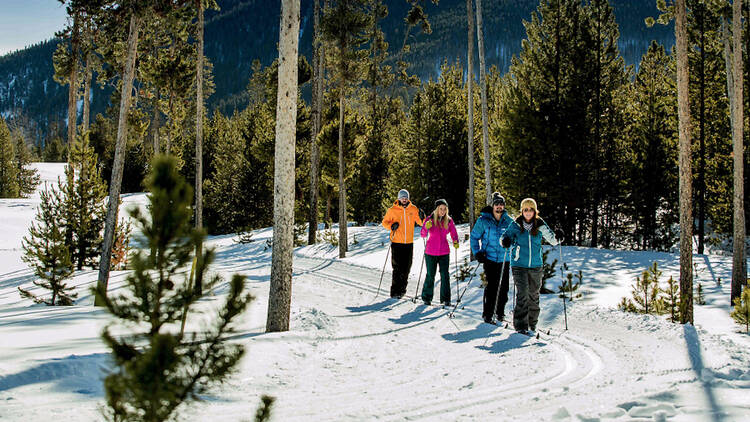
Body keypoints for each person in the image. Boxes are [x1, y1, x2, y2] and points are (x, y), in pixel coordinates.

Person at [500, 198, 562, 335]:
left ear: (535, 211)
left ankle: (532, 324)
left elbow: (553, 240)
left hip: (536, 265)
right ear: (522, 211)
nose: (528, 212)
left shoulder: (540, 225)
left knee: (533, 295)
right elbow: (504, 238)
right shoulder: (515, 225)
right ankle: (521, 325)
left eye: (531, 209)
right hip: (518, 264)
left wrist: (559, 236)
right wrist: (505, 241)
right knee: (522, 294)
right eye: (525, 210)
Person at [470, 192, 515, 324]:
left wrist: (509, 241)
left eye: (501, 204)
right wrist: (477, 252)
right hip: (489, 258)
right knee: (492, 287)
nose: (499, 207)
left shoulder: (508, 221)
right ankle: (488, 313)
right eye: (496, 204)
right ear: (493, 206)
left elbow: (515, 236)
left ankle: (500, 312)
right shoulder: (484, 220)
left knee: (504, 288)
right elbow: (474, 237)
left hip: (504, 259)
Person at [381, 189, 423, 298]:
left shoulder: (413, 209)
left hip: (408, 243)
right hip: (396, 242)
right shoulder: (392, 210)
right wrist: (391, 226)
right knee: (397, 268)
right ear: (399, 198)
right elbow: (384, 223)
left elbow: (420, 222)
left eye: (406, 197)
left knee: (407, 268)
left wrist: (423, 218)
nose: (404, 199)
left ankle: (402, 290)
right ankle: (395, 292)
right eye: (402, 197)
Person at [419, 199, 459, 306]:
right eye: (441, 209)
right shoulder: (430, 220)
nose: (442, 211)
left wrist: (455, 241)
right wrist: (425, 228)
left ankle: (446, 299)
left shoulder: (449, 221)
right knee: (430, 275)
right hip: (430, 252)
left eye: (444, 209)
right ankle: (427, 297)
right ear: (436, 209)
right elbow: (423, 234)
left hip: (444, 252)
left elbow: (453, 232)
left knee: (445, 275)